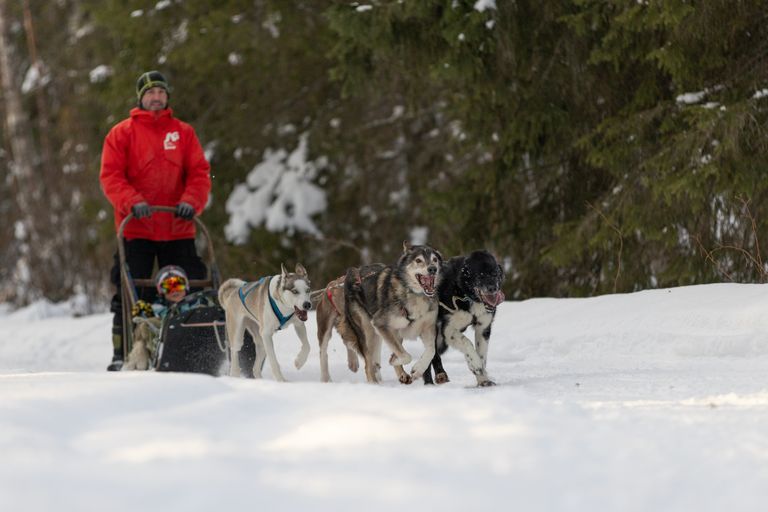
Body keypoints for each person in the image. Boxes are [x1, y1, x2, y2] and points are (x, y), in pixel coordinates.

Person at [100, 70, 211, 371]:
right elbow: (111, 176)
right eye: (150, 92)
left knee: (189, 287)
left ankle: (196, 345)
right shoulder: (122, 133)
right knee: (132, 289)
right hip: (137, 228)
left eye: (161, 92)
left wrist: (190, 202)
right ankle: (123, 351)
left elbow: (199, 174)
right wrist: (133, 202)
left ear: (167, 96)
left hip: (177, 228)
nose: (156, 97)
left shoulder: (183, 133)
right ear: (140, 98)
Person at [123, 265, 190, 371]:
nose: (174, 291)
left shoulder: (196, 305)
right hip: (163, 349)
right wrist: (147, 315)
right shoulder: (156, 309)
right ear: (161, 291)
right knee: (145, 326)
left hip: (191, 344)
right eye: (169, 287)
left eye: (178, 285)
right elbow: (144, 327)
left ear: (186, 287)